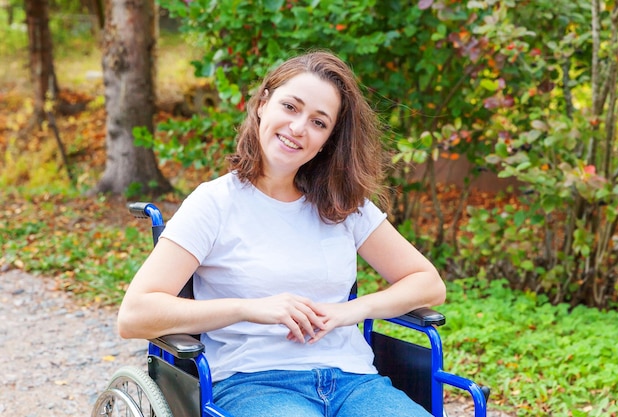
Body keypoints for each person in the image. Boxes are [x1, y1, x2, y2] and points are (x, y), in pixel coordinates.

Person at [117, 50, 446, 417]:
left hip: (354, 383)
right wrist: (250, 309)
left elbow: (428, 283)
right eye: (291, 107)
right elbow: (134, 314)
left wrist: (351, 311)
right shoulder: (214, 204)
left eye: (319, 122)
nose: (299, 128)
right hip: (252, 384)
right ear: (262, 103)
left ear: (328, 140)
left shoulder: (342, 205)